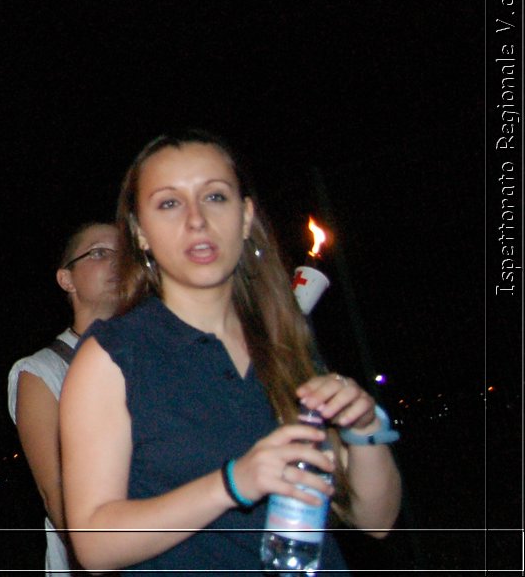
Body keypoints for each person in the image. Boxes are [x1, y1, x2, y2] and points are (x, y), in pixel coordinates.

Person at [60, 132, 403, 572]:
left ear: (245, 217)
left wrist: (365, 428)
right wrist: (234, 483)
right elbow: (94, 546)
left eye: (215, 196)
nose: (196, 219)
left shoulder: (283, 340)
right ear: (140, 233)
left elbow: (375, 521)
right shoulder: (113, 356)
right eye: (169, 203)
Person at [6, 221, 121, 575]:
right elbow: (56, 493)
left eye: (126, 254)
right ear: (66, 280)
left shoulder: (155, 352)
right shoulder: (42, 370)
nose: (118, 263)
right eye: (99, 253)